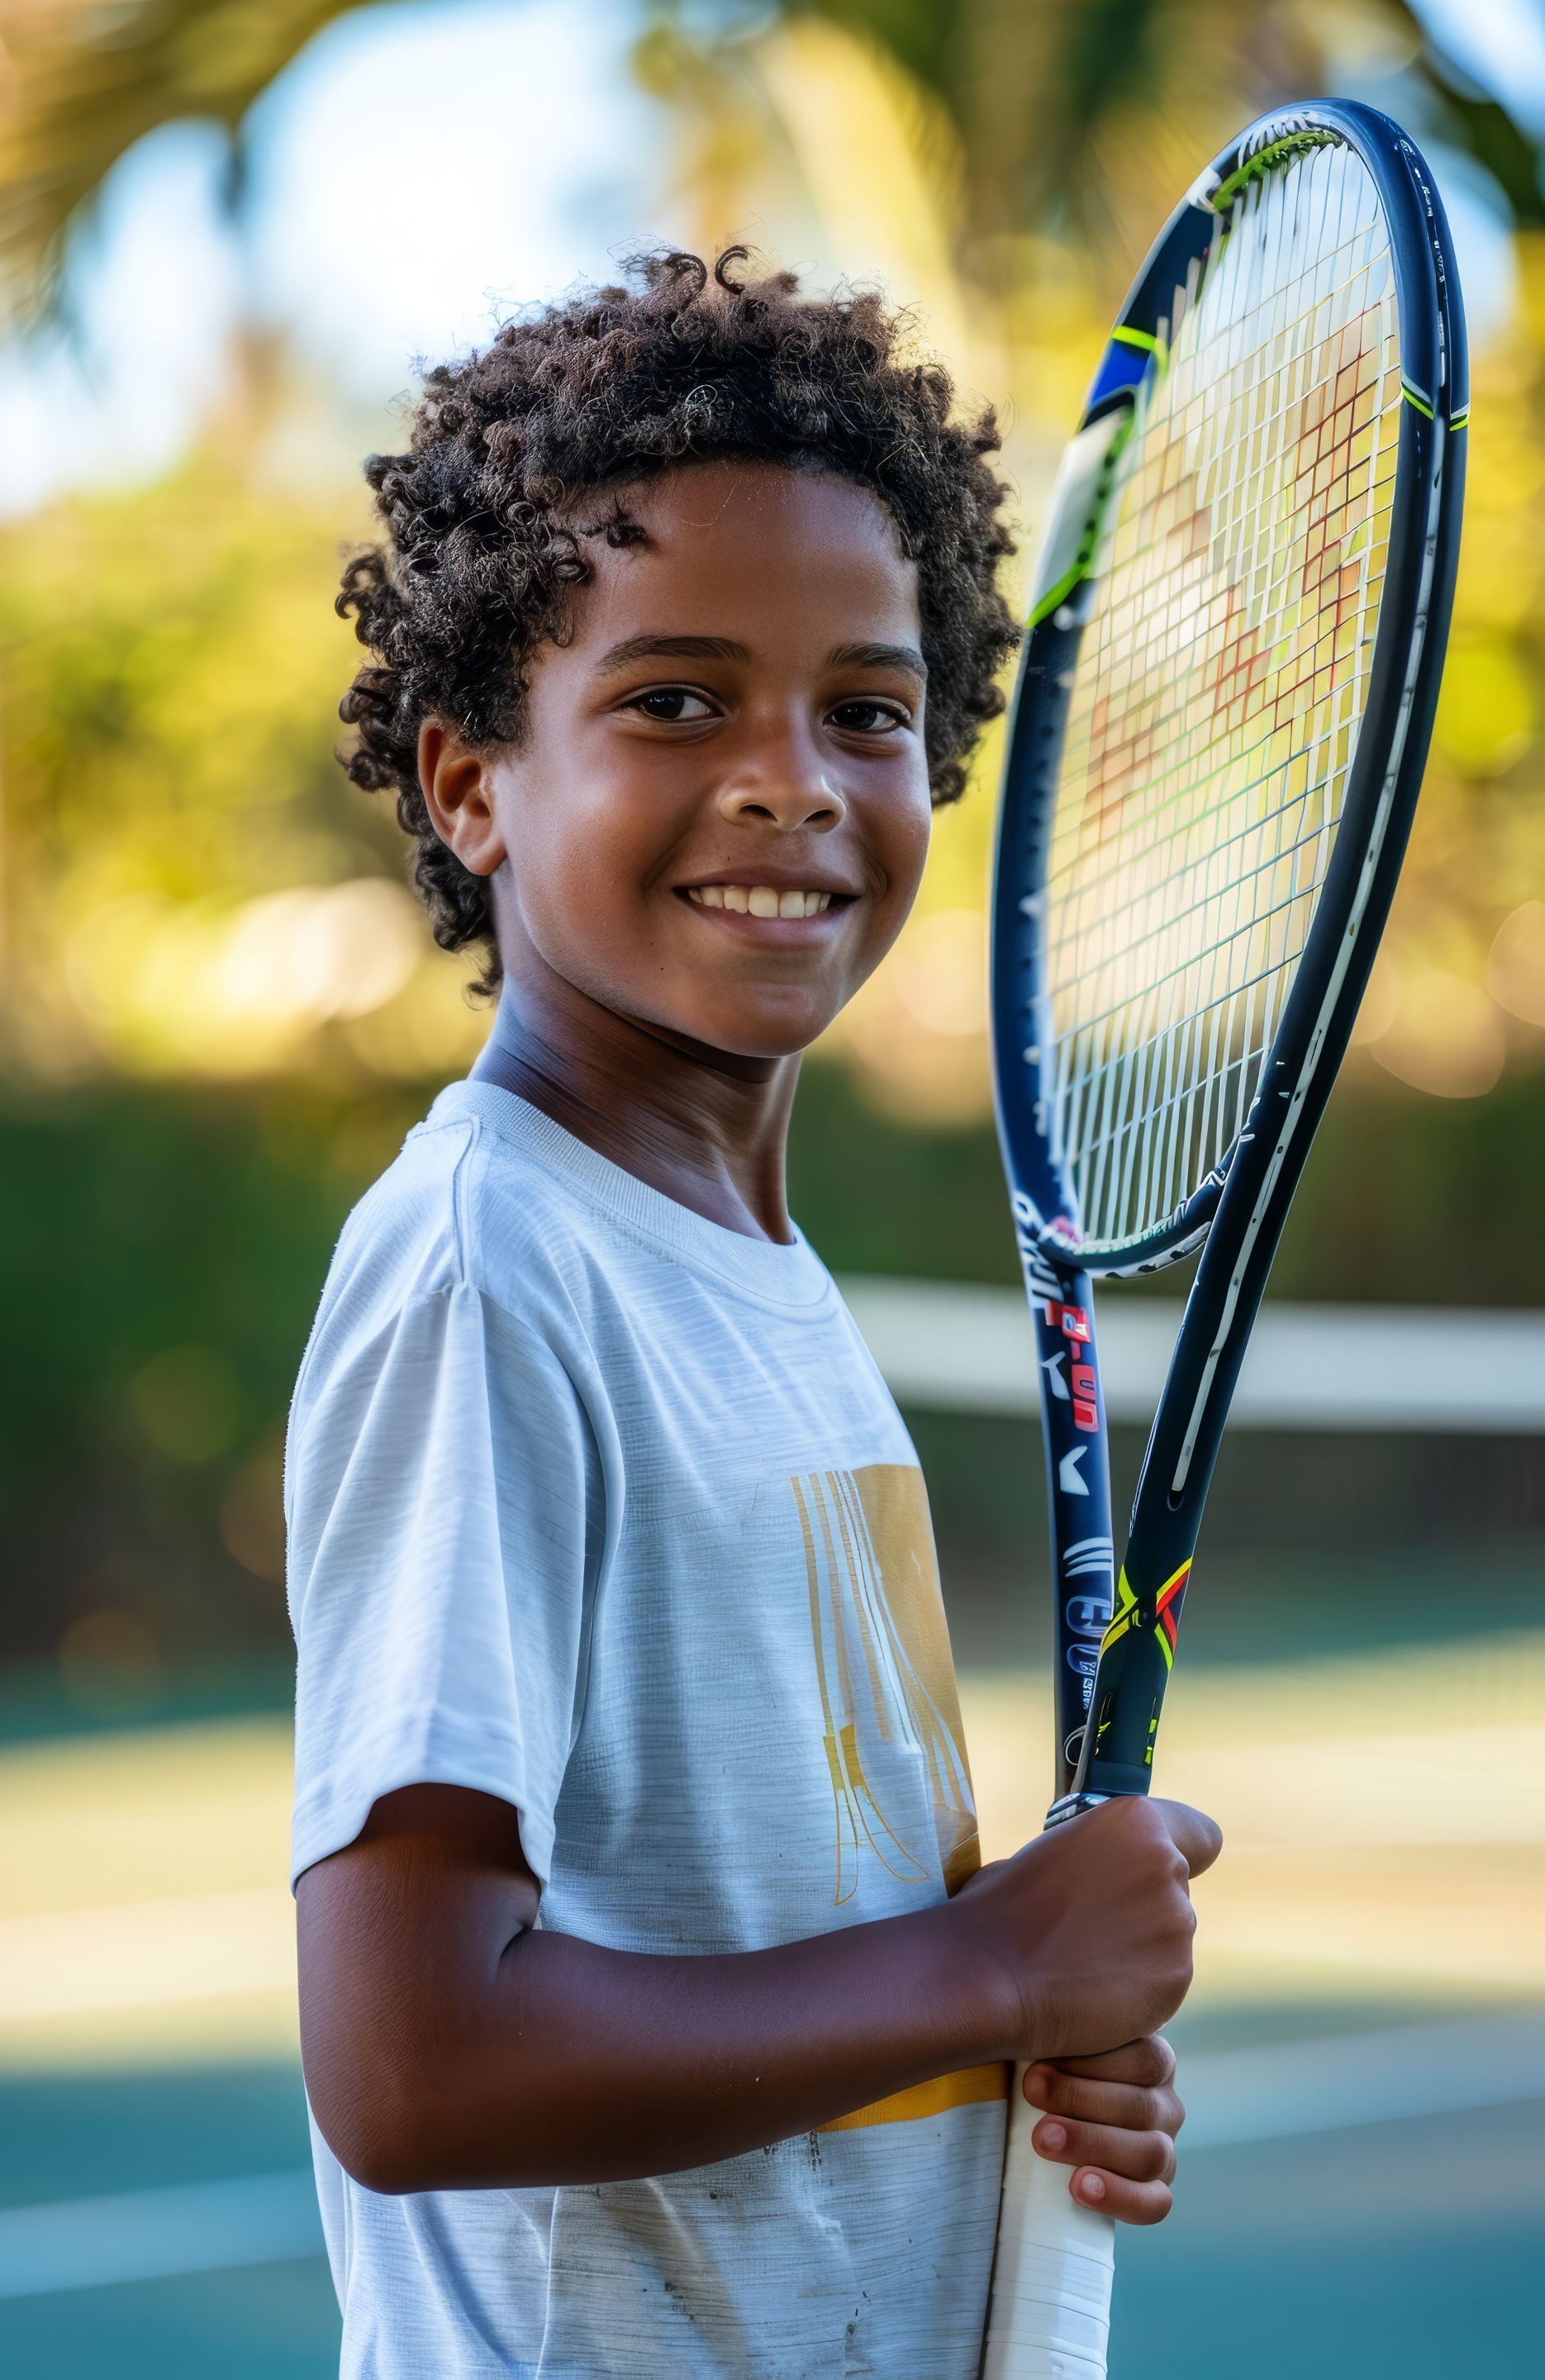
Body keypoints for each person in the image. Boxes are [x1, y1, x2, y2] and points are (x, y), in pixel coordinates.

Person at [288, 247, 1220, 2380]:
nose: (792, 777)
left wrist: (1004, 2046)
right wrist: (990, 1976)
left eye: (866, 712)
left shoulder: (749, 1273)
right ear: (469, 783)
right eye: (676, 701)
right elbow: (418, 2066)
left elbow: (787, 1958)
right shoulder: (492, 1265)